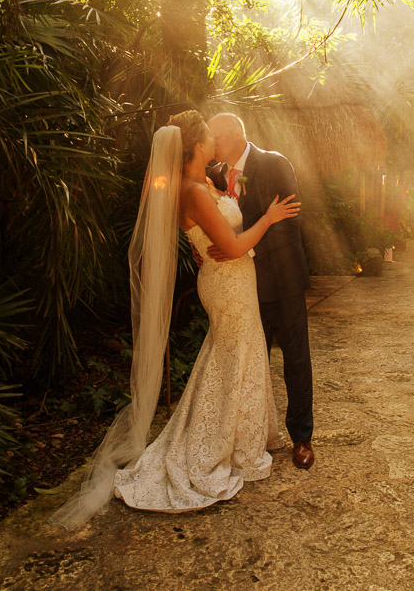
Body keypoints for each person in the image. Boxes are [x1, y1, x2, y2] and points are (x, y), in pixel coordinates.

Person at [50, 110, 299, 527]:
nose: (215, 146)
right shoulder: (194, 190)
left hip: (231, 280)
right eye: (209, 140)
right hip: (228, 283)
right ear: (198, 146)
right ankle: (213, 448)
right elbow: (233, 247)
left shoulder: (204, 183)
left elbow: (221, 235)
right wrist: (269, 220)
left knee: (233, 359)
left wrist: (229, 238)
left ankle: (241, 439)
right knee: (232, 360)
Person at [206, 113, 315, 470]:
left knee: (295, 360)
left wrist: (242, 248)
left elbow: (290, 222)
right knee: (252, 363)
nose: (212, 147)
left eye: (217, 139)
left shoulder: (273, 163)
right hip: (243, 287)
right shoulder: (216, 175)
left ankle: (302, 437)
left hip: (283, 281)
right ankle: (253, 437)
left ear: (236, 134)